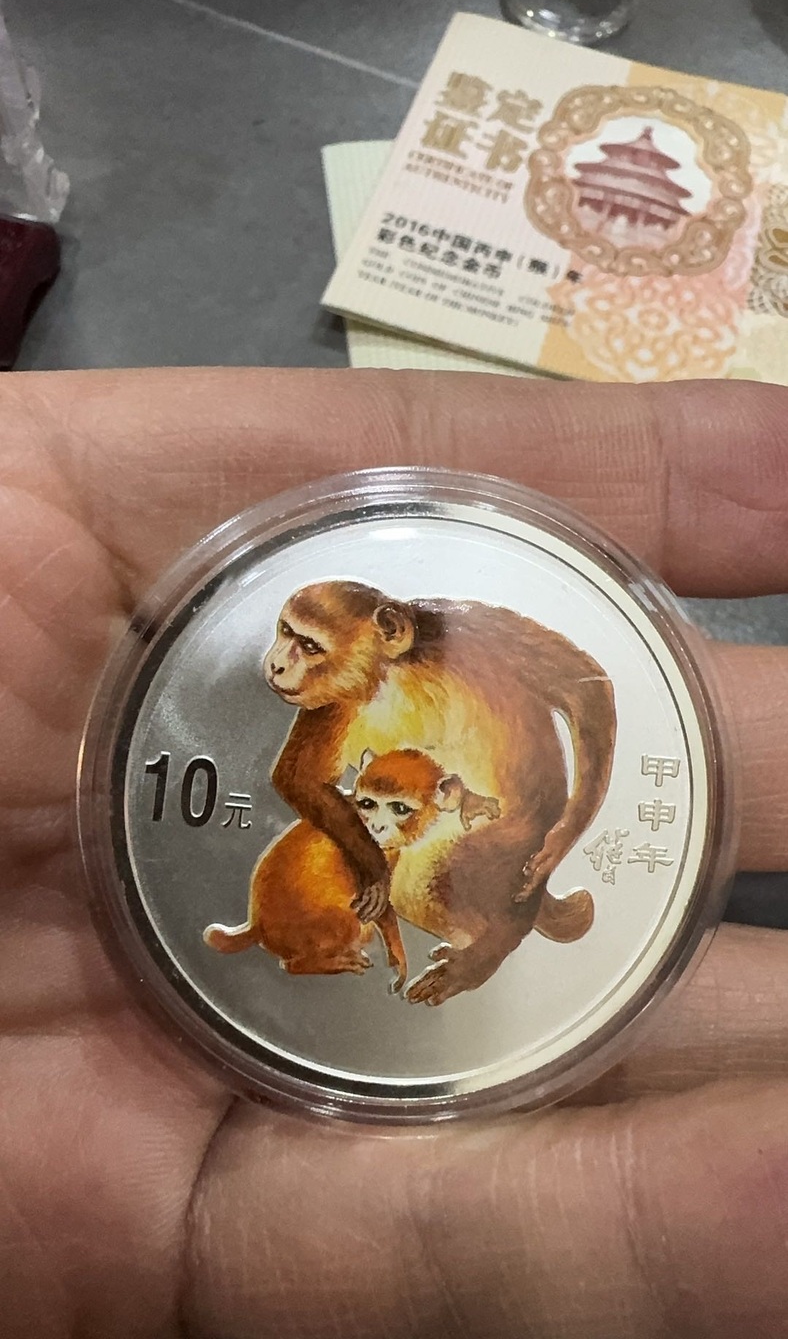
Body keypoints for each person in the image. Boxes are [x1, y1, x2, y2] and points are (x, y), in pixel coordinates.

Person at [2, 366, 787, 1339]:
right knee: (395, 877)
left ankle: (498, 934)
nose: (278, 664)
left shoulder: (475, 639)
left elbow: (589, 685)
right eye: (282, 638)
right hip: (435, 840)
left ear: (389, 631)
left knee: (434, 878)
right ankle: (491, 912)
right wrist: (370, 864)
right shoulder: (334, 711)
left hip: (513, 820)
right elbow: (297, 784)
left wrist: (570, 823)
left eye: (306, 645)